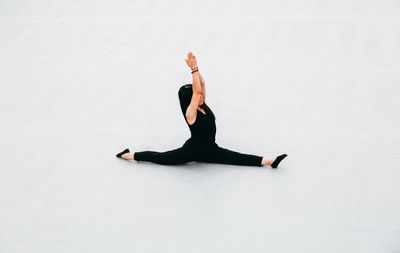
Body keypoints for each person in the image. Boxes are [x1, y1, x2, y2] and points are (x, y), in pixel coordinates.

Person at [116, 52, 287, 168]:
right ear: (190, 99)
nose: (201, 95)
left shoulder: (201, 102)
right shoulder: (191, 113)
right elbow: (197, 91)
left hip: (210, 149)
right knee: (160, 157)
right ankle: (128, 155)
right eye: (196, 96)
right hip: (192, 151)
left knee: (238, 158)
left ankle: (270, 161)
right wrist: (193, 68)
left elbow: (201, 86)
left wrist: (197, 70)